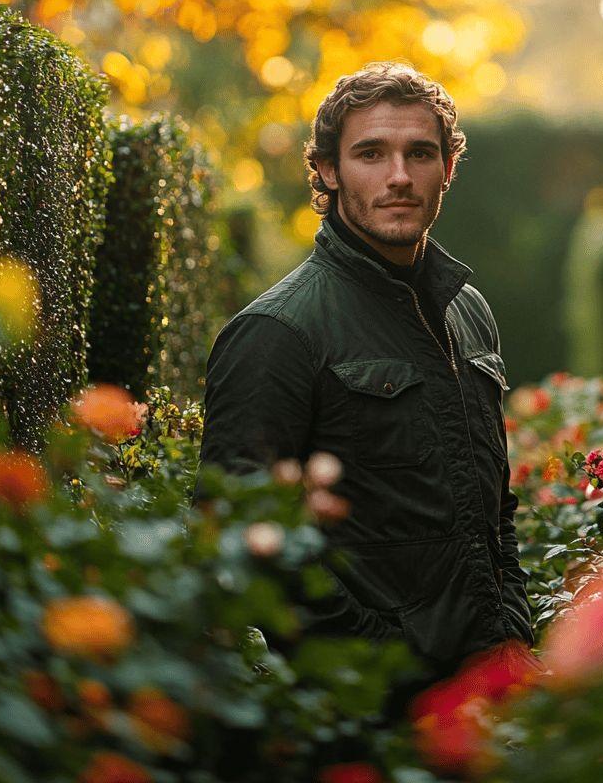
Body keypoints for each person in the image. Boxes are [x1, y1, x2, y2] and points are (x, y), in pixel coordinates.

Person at [199, 62, 535, 679]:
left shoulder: (468, 310)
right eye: (371, 154)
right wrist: (388, 669)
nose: (400, 177)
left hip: (493, 689)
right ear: (328, 170)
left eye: (421, 153)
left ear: (448, 169)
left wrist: (512, 634)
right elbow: (247, 536)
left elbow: (493, 509)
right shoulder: (275, 333)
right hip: (367, 711)